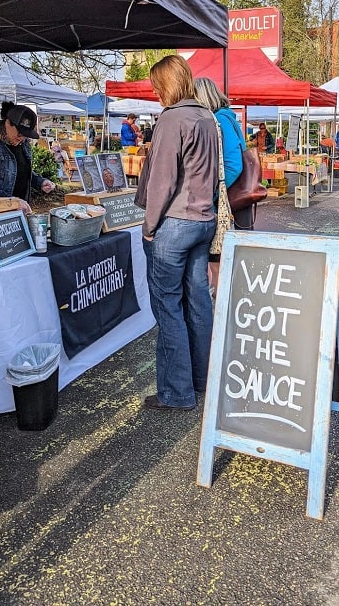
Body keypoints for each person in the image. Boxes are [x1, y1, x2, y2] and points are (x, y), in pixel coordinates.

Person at [134, 55, 218, 411]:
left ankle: (176, 393)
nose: (154, 93)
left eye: (156, 86)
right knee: (198, 302)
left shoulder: (172, 119)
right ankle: (202, 379)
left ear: (166, 84)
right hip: (203, 220)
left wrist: (149, 226)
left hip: (176, 222)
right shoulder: (205, 116)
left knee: (168, 307)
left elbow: (162, 180)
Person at [194, 77, 253, 293]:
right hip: (234, 198)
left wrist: (213, 193)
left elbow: (232, 164)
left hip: (228, 199)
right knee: (223, 254)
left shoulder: (220, 119)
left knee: (218, 256)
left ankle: (221, 304)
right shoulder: (227, 118)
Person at [0, 101, 55, 213]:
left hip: (18, 210)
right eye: (19, 133)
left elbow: (20, 170)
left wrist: (39, 182)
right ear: (8, 123)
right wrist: (13, 201)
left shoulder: (23, 143)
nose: (22, 138)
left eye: (26, 135)